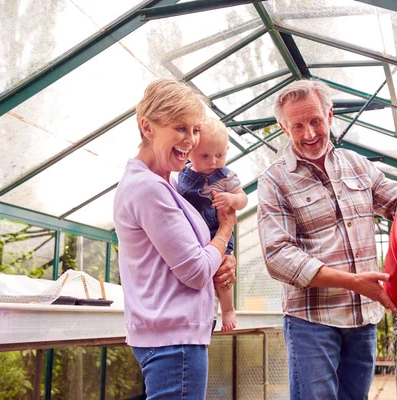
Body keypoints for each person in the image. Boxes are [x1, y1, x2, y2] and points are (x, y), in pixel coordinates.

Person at [256, 79, 397, 400]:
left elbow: (396, 205)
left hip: (363, 319)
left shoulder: (357, 165)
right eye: (297, 125)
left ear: (330, 115)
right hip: (311, 322)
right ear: (283, 127)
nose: (309, 134)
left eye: (316, 121)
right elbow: (277, 257)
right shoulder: (275, 181)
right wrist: (353, 282)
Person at [113, 79, 237, 399]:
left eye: (195, 130)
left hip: (173, 340)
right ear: (147, 127)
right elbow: (196, 270)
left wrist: (222, 259)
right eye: (180, 128)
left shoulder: (163, 183)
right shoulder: (149, 188)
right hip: (174, 343)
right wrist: (224, 233)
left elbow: (196, 257)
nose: (191, 140)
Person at [177, 118, 248, 332]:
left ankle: (227, 309)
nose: (213, 162)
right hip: (192, 236)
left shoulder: (226, 177)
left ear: (227, 150)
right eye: (205, 156)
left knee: (221, 273)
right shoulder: (181, 174)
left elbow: (243, 199)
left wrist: (231, 199)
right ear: (190, 152)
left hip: (216, 230)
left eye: (220, 155)